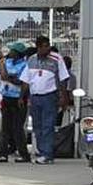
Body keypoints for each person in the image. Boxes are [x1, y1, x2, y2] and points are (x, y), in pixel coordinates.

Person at [21, 35, 70, 165]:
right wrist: (22, 97)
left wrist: (64, 97)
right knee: (38, 126)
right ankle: (42, 152)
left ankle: (47, 154)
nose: (47, 48)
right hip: (34, 96)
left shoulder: (56, 59)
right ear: (38, 47)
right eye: (44, 46)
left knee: (48, 126)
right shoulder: (31, 60)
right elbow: (26, 80)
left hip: (49, 96)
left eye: (48, 46)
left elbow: (63, 79)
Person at [0, 41, 32, 163]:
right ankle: (3, 153)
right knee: (5, 128)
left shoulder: (25, 65)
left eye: (13, 51)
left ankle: (23, 154)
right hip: (6, 97)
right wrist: (10, 76)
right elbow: (3, 77)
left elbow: (22, 82)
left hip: (18, 98)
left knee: (18, 128)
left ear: (18, 53)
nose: (10, 53)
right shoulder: (7, 62)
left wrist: (21, 97)